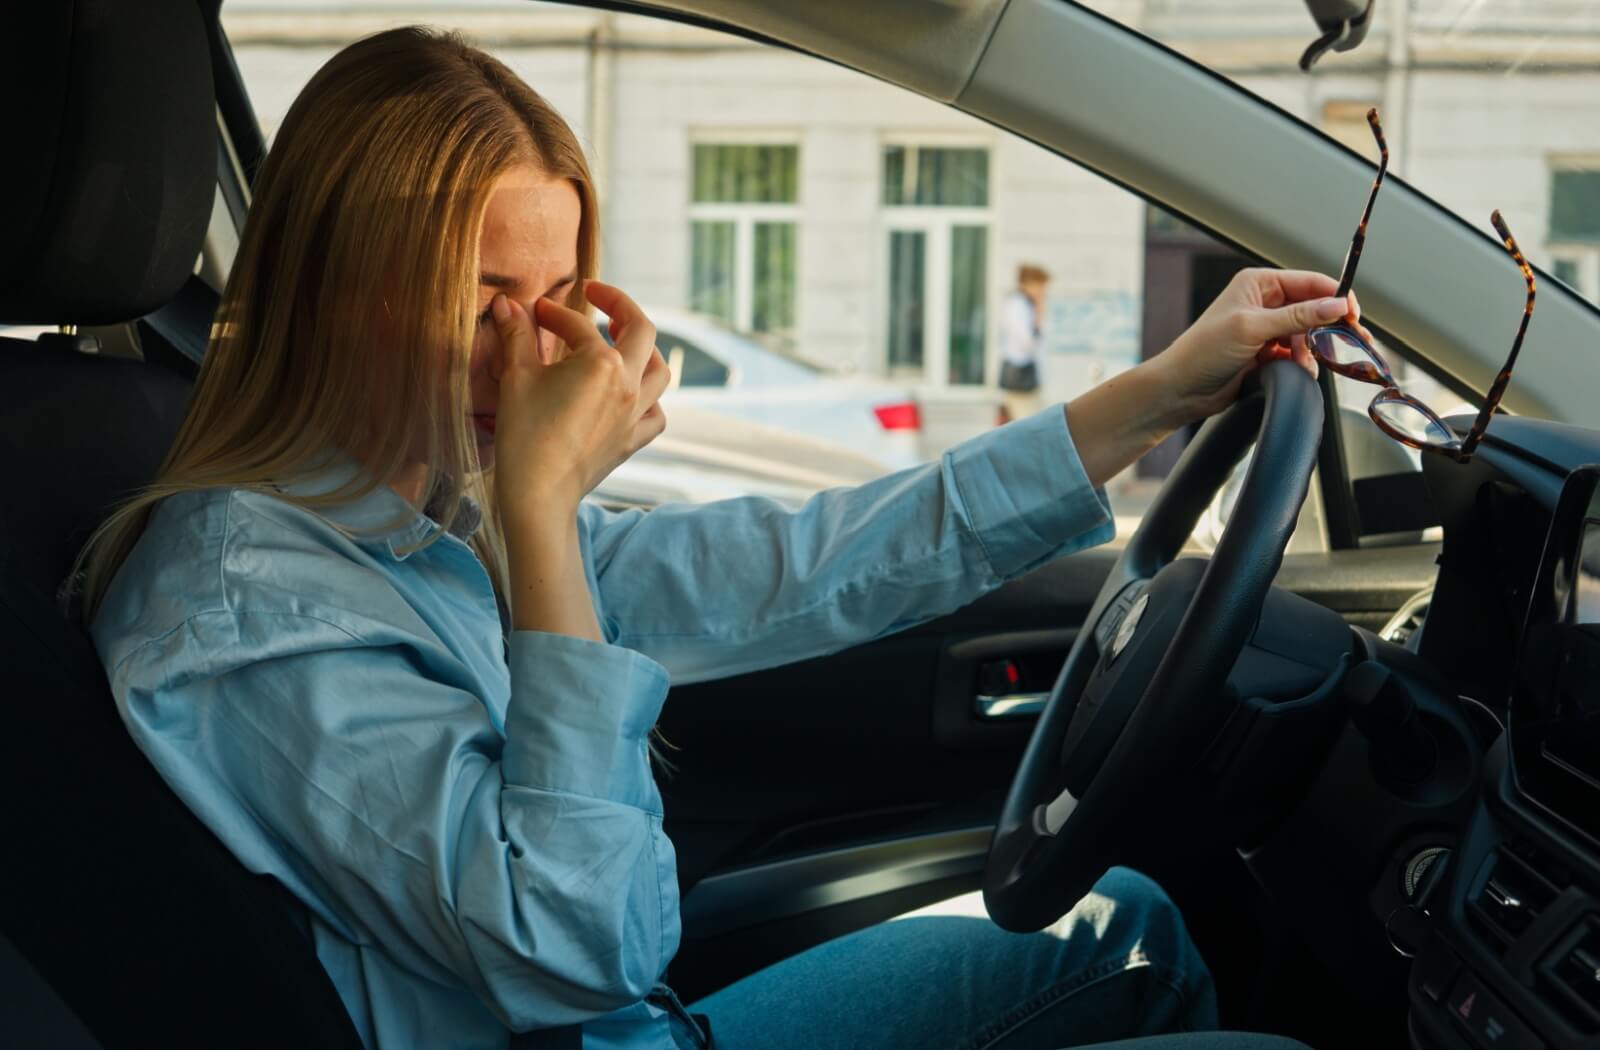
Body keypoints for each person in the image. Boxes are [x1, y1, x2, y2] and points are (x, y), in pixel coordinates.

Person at [79, 27, 1352, 1050]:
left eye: (558, 301)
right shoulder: (250, 613)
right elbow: (579, 954)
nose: (531, 357)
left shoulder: (419, 516)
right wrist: (540, 508)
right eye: (476, 303)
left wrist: (1159, 393)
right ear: (329, 291)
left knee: (1126, 921)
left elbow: (810, 558)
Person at [998, 263, 1051, 422]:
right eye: (1041, 286)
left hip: (1026, 377)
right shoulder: (1018, 306)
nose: (1044, 292)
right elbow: (1028, 341)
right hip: (1019, 377)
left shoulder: (1025, 305)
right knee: (1026, 423)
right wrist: (1038, 315)